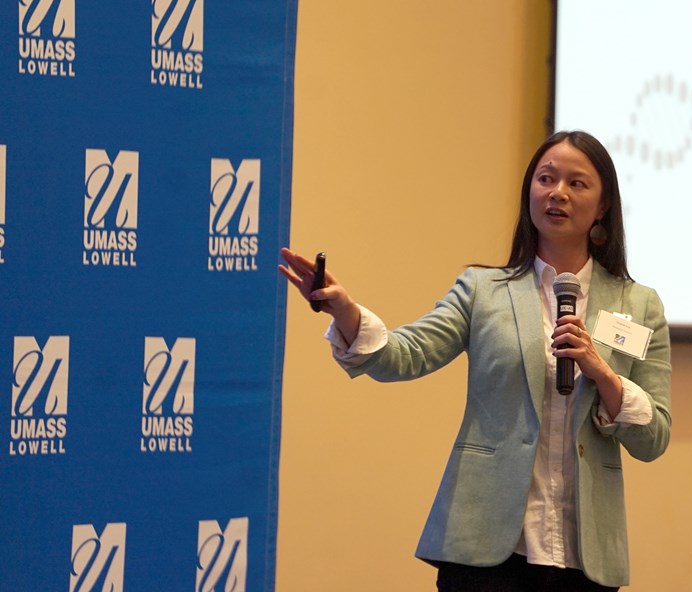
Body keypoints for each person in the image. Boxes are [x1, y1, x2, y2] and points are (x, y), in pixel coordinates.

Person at [279, 130, 672, 591]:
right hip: (486, 551)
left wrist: (602, 372)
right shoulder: (483, 291)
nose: (557, 192)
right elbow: (403, 355)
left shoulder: (639, 305)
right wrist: (345, 310)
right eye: (546, 178)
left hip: (585, 557)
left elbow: (654, 437)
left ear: (603, 206)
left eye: (577, 183)